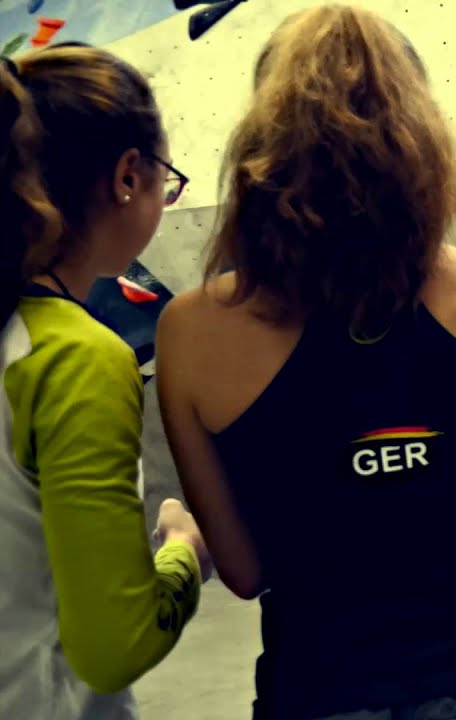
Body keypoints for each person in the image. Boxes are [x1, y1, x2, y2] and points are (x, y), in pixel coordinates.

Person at [154, 6, 456, 720]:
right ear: (423, 136)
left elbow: (245, 573)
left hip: (316, 697)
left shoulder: (192, 330)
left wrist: (186, 538)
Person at [0, 43, 211, 719]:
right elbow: (114, 646)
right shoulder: (74, 357)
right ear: (128, 177)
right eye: (165, 177)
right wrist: (186, 551)